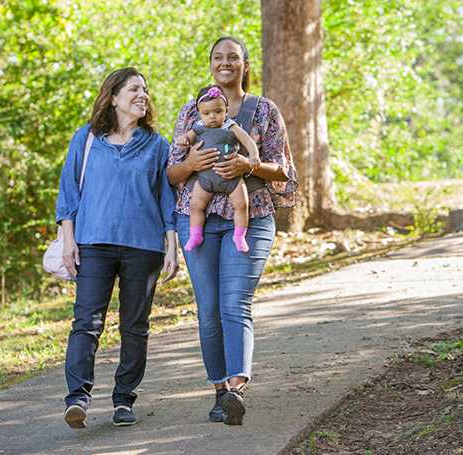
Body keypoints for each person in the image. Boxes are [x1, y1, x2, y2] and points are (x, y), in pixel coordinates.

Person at [168, 37, 298, 425]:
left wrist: (248, 165)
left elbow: (283, 169)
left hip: (250, 216)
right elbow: (172, 174)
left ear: (245, 65)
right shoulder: (191, 112)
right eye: (218, 57)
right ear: (210, 65)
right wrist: (191, 162)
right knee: (208, 310)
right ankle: (220, 390)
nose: (225, 63)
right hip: (199, 220)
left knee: (234, 303)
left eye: (233, 58)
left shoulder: (263, 111)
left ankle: (236, 388)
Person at [55, 67, 178, 429]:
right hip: (93, 243)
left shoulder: (157, 145)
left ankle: (124, 399)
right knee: (86, 322)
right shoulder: (87, 139)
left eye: (146, 90)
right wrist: (68, 240)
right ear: (113, 96)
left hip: (144, 247)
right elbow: (69, 192)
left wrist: (172, 245)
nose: (143, 95)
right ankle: (77, 397)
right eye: (134, 89)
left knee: (135, 326)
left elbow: (164, 198)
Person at [175, 84, 261, 253]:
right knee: (196, 205)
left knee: (242, 204)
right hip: (206, 179)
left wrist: (253, 156)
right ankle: (195, 234)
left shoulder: (231, 126)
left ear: (226, 110)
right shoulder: (199, 127)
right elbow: (187, 138)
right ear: (200, 113)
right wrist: (183, 140)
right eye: (206, 113)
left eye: (218, 111)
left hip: (232, 179)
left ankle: (239, 236)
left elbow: (247, 140)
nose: (212, 117)